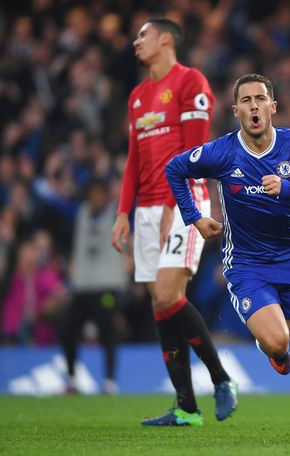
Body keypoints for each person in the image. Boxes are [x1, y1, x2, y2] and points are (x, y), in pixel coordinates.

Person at [165, 73, 290, 440]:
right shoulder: (223, 151)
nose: (254, 106)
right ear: (236, 111)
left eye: (260, 99)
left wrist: (288, 188)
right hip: (247, 265)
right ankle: (273, 348)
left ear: (273, 107)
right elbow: (175, 169)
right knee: (279, 343)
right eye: (246, 101)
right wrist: (195, 218)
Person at [110, 17, 236, 426]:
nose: (136, 42)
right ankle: (186, 406)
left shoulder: (190, 83)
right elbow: (134, 161)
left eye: (142, 35)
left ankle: (221, 379)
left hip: (185, 200)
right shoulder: (137, 97)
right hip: (144, 209)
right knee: (161, 305)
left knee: (167, 294)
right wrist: (123, 213)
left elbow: (195, 153)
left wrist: (171, 205)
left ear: (166, 39)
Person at [62, 178, 128, 395]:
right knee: (68, 329)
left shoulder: (118, 214)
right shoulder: (81, 213)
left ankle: (109, 382)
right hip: (83, 286)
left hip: (107, 286)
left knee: (106, 331)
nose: (96, 197)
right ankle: (71, 380)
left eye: (100, 193)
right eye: (93, 193)